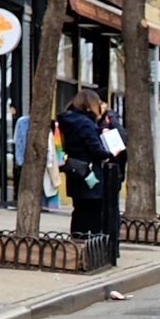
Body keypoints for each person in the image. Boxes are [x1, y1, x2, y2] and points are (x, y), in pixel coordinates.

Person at [56, 88, 110, 240]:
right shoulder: (86, 123)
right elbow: (96, 150)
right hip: (89, 174)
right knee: (92, 213)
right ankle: (89, 247)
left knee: (78, 211)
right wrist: (110, 153)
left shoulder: (67, 121)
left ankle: (77, 242)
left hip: (75, 171)